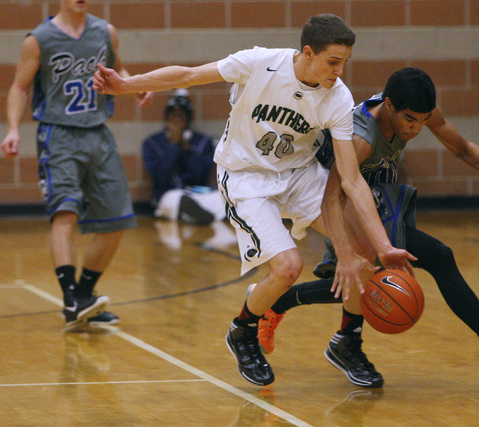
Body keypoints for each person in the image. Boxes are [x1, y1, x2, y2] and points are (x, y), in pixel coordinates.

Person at [92, 13, 415, 386]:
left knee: (362, 255)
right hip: (247, 177)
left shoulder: (338, 98)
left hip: (298, 175)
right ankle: (243, 331)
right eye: (333, 62)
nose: (340, 71)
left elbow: (351, 178)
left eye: (345, 62)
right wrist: (126, 85)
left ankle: (347, 341)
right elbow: (187, 76)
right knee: (288, 267)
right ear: (307, 53)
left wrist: (383, 245)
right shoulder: (260, 63)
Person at [254, 67, 479, 388]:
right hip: (343, 209)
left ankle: (274, 305)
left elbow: (461, 147)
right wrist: (348, 246)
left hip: (379, 205)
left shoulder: (418, 111)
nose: (415, 129)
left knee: (364, 282)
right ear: (389, 105)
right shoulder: (362, 139)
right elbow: (331, 197)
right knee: (425, 261)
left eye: (422, 121)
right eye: (410, 120)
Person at [1, 0, 152, 328]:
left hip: (98, 133)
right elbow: (19, 87)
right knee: (66, 212)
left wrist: (134, 86)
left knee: (117, 221)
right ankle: (70, 297)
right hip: (59, 134)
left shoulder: (105, 32)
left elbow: (118, 70)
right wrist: (13, 128)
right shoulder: (38, 39)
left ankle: (83, 296)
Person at [142, 89, 226, 224]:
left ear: (188, 118)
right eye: (173, 116)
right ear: (167, 117)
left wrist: (187, 149)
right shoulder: (152, 143)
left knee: (221, 199)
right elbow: (160, 178)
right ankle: (192, 214)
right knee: (175, 199)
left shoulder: (203, 142)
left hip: (199, 194)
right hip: (170, 194)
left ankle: (196, 215)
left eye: (181, 116)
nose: (177, 120)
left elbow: (201, 176)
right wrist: (173, 146)